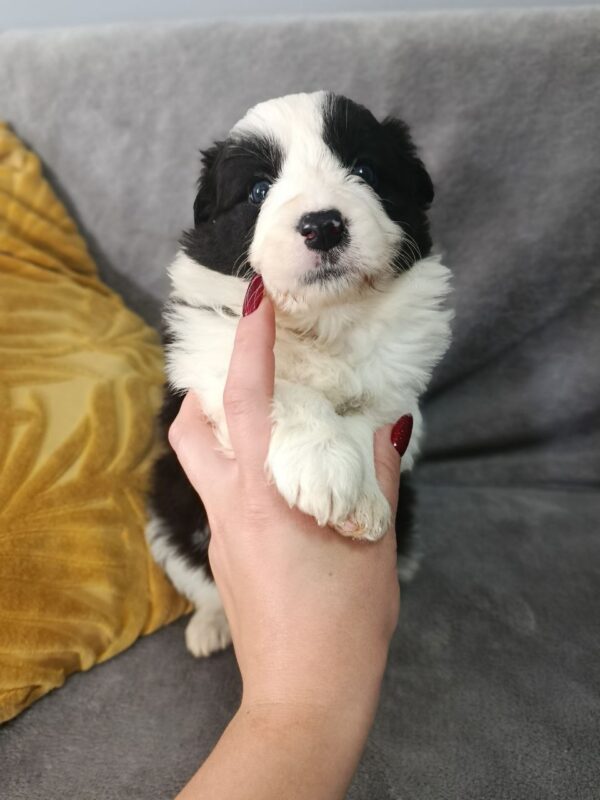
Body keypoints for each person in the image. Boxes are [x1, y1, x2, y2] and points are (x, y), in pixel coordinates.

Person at [169, 281, 412, 800]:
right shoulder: (211, 322)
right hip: (211, 543)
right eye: (260, 193)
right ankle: (213, 604)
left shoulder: (395, 330)